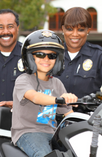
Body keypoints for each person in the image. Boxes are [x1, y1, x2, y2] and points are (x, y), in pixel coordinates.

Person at [11, 29, 77, 157]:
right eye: (40, 54)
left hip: (53, 133)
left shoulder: (57, 83)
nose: (46, 59)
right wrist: (59, 99)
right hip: (28, 133)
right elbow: (35, 97)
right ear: (30, 57)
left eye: (52, 55)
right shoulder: (23, 80)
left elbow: (69, 115)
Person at [57, 7, 102, 99]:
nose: (75, 34)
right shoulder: (52, 54)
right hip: (53, 112)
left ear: (88, 30)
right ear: (63, 29)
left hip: (87, 113)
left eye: (81, 30)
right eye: (69, 29)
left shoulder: (100, 56)